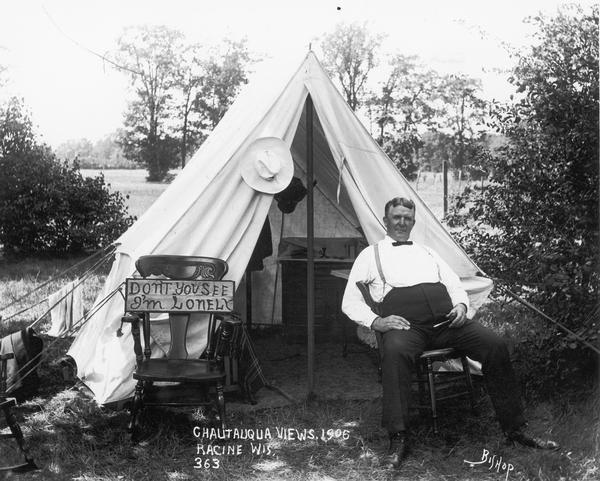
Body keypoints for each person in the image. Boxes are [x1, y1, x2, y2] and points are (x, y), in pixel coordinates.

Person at [342, 197, 558, 470]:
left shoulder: (428, 252)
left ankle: (515, 429)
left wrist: (461, 305)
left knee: (495, 345)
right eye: (396, 217)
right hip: (408, 328)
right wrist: (376, 321)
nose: (401, 222)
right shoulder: (370, 255)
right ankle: (397, 437)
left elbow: (454, 285)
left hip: (447, 324)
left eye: (407, 218)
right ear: (385, 221)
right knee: (395, 354)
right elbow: (349, 302)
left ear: (413, 222)